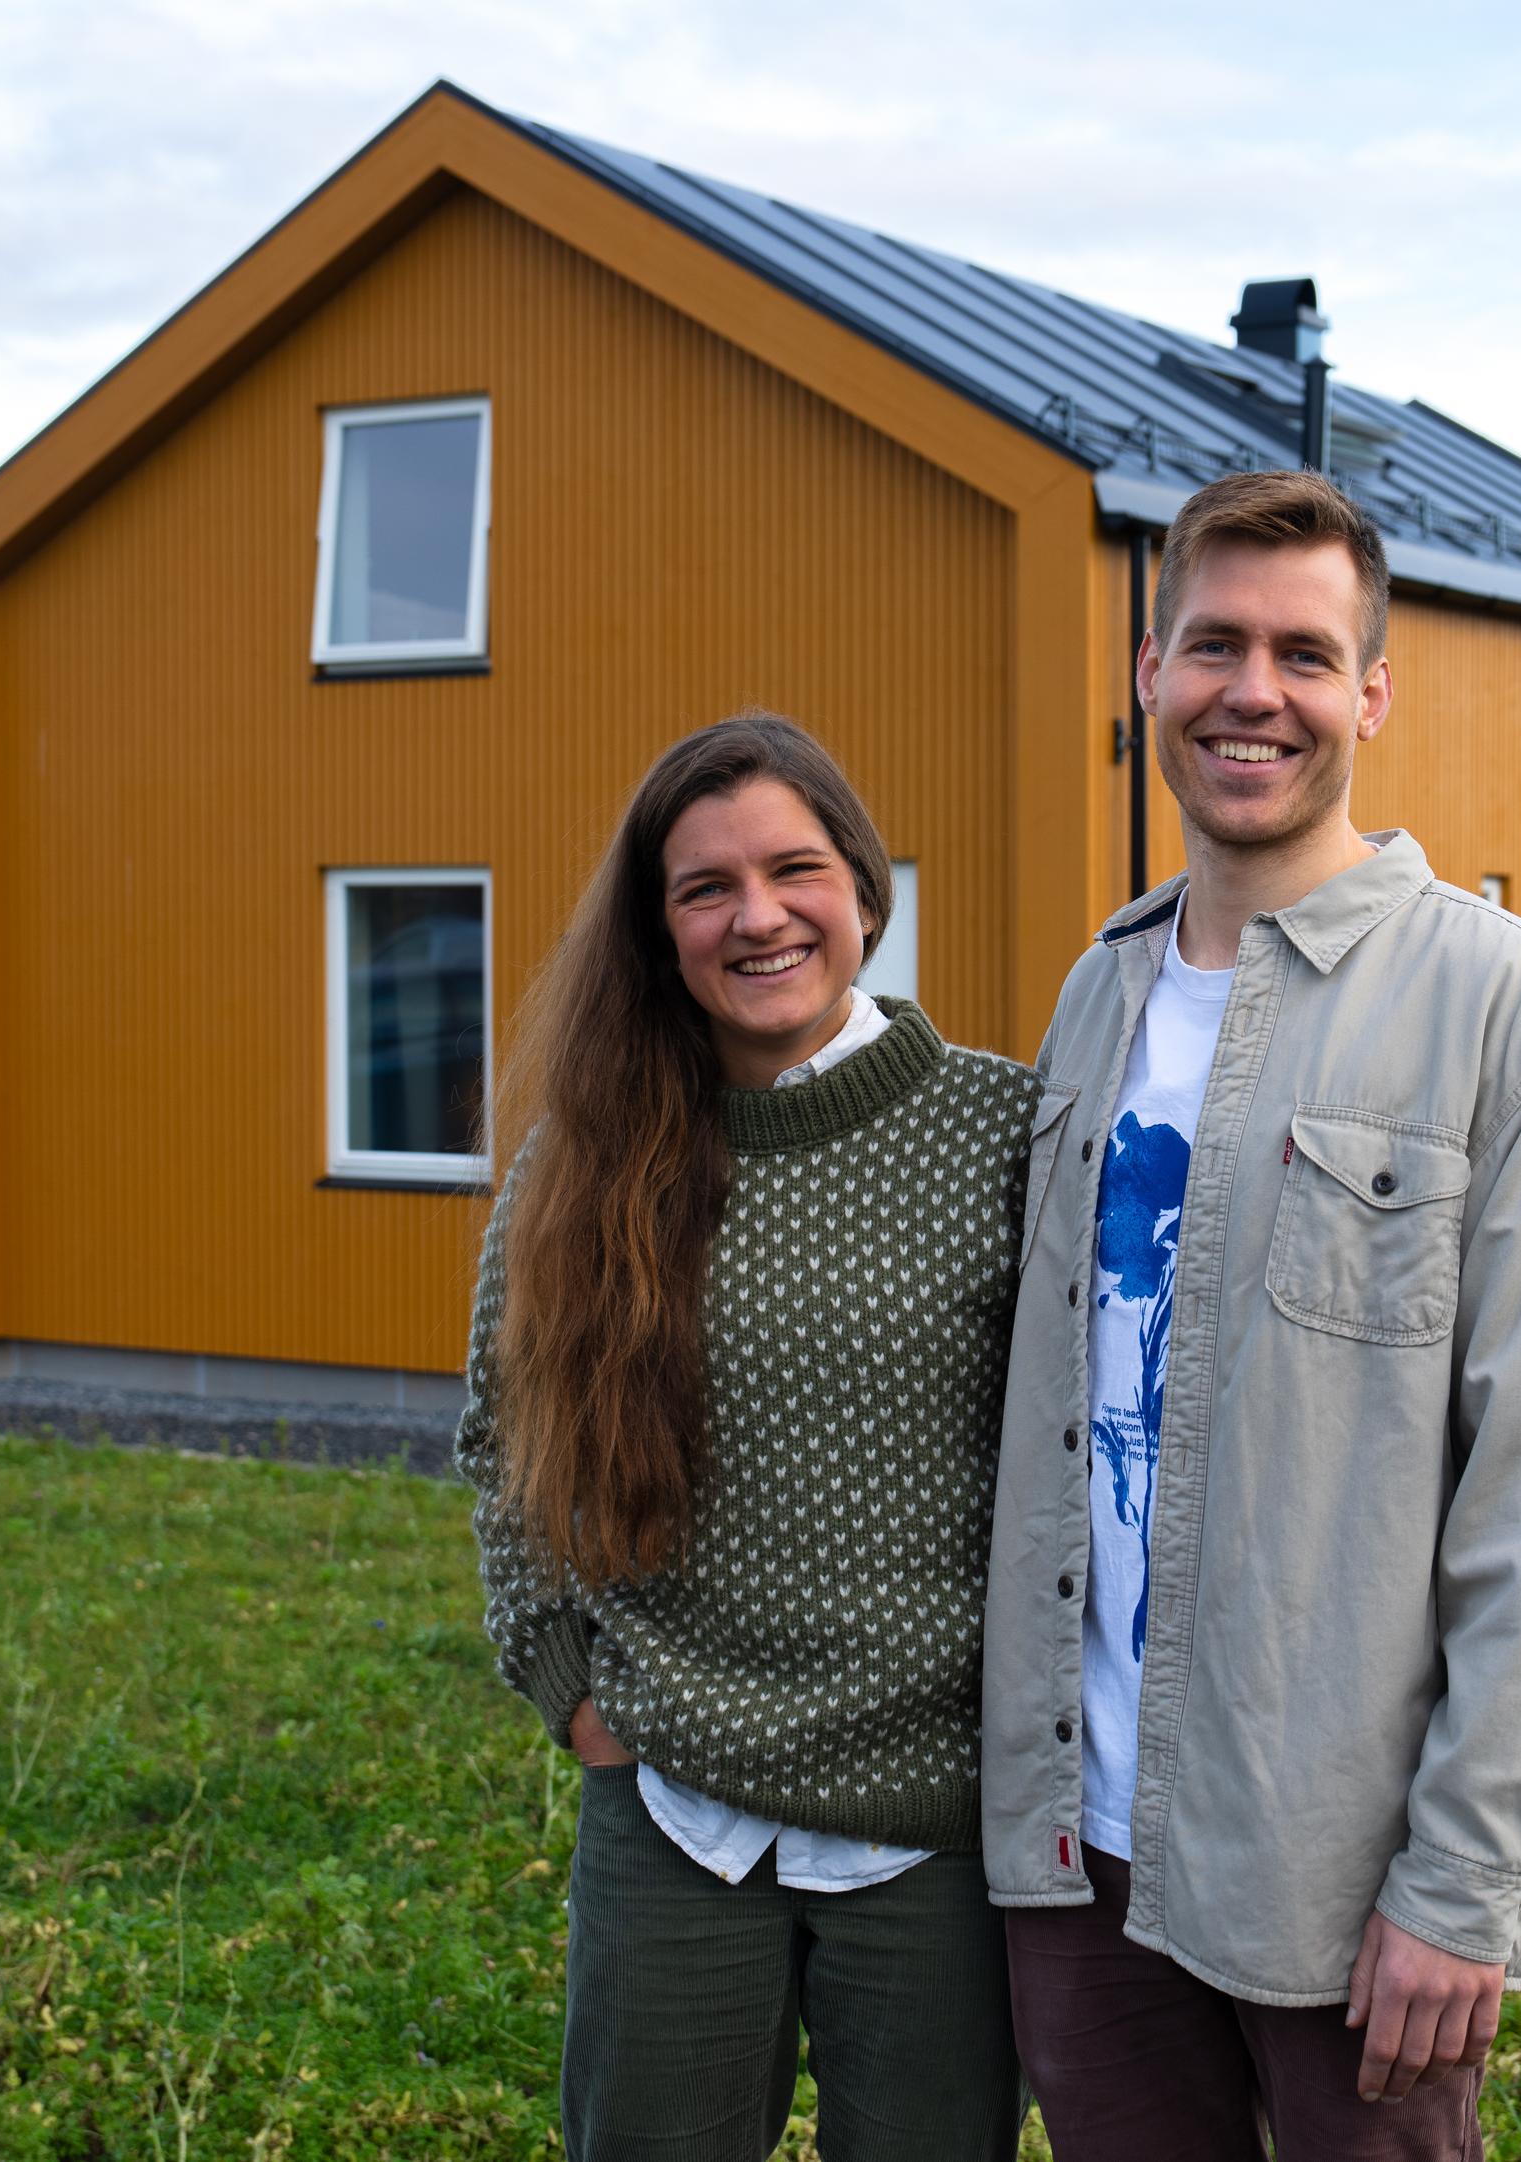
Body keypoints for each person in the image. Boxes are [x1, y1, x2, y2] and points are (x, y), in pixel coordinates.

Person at [984, 470, 1521, 2157]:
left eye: (1303, 652)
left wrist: (1466, 1879)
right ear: (1148, 669)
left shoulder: (1513, 1012)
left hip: (1340, 1871)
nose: (1251, 692)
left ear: (1371, 692)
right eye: (1212, 643)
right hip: (1079, 1844)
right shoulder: (1100, 989)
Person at [459, 713, 1039, 2161]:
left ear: (862, 885)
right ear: (658, 930)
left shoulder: (1008, 1128)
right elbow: (505, 1431)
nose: (758, 914)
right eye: (704, 887)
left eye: (795, 867)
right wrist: (566, 1675)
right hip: (674, 1802)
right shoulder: (589, 1152)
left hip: (940, 1824)